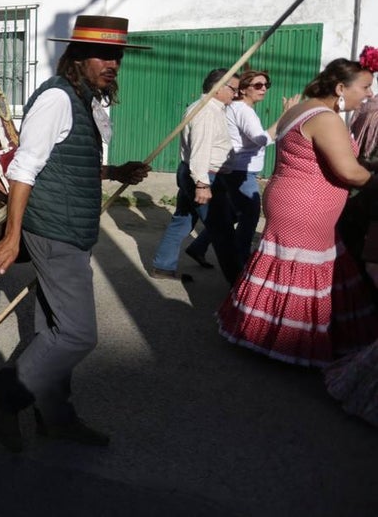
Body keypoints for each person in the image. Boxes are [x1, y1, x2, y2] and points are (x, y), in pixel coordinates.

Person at [0, 15, 150, 452]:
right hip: (55, 230)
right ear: (76, 56)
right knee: (77, 335)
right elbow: (25, 167)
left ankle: (55, 417)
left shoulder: (83, 98)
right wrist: (12, 235)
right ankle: (3, 396)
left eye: (116, 55)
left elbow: (67, 162)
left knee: (53, 328)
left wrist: (117, 172)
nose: (111, 63)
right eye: (101, 54)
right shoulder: (57, 98)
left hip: (71, 228)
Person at [217, 57, 378, 366]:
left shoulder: (304, 108)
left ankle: (262, 330)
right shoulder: (326, 118)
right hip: (306, 206)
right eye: (365, 87)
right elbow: (349, 172)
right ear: (341, 87)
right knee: (302, 271)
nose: (369, 94)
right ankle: (286, 343)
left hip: (293, 199)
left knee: (286, 265)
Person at [185, 70, 299, 270]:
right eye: (257, 85)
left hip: (238, 169)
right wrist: (285, 116)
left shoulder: (237, 107)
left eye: (266, 85)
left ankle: (199, 246)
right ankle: (241, 262)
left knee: (230, 215)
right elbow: (261, 139)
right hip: (241, 171)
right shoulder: (243, 109)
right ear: (243, 89)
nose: (263, 89)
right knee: (249, 215)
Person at [149, 69, 241, 283]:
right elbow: (201, 149)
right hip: (204, 175)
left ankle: (163, 266)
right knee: (223, 231)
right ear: (218, 88)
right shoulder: (206, 111)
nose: (235, 95)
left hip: (196, 173)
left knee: (183, 220)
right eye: (233, 89)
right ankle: (238, 286)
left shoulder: (211, 108)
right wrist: (202, 184)